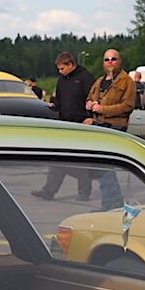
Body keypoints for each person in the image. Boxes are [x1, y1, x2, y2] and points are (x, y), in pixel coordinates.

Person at [32, 52, 96, 201]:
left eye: (62, 68)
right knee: (57, 159)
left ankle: (84, 192)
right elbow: (59, 100)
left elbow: (92, 98)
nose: (60, 72)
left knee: (80, 160)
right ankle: (49, 190)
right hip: (65, 124)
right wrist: (53, 104)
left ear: (70, 65)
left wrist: (90, 117)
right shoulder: (61, 80)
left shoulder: (85, 77)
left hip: (81, 123)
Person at [84, 49, 135, 206]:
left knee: (106, 166)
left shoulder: (127, 81)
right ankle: (110, 201)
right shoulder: (99, 81)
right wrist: (89, 105)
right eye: (107, 59)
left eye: (113, 59)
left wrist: (103, 109)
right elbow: (89, 98)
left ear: (120, 61)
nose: (110, 62)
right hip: (99, 125)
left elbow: (128, 105)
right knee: (101, 167)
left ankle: (112, 203)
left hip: (115, 126)